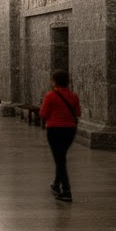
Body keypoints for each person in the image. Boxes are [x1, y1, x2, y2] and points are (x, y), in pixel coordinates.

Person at [39, 70, 81, 201]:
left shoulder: (50, 95)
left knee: (60, 159)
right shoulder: (74, 96)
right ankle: (56, 184)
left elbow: (43, 114)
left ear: (54, 81)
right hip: (70, 130)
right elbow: (78, 113)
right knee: (61, 156)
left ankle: (67, 190)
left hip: (54, 130)